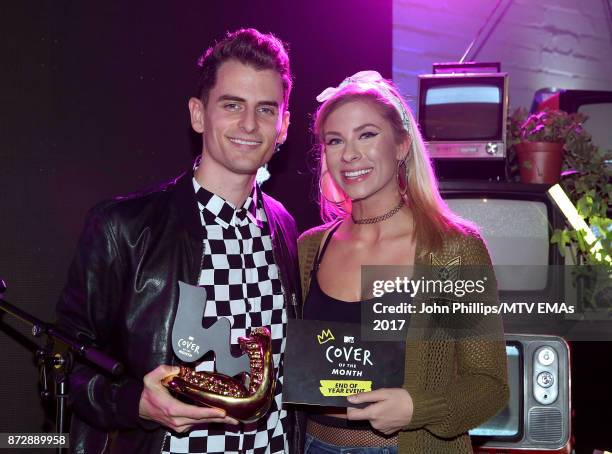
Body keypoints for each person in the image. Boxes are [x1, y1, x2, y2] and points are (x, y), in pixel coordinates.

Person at [55, 28, 302, 454]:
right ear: (198, 114)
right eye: (232, 105)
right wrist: (136, 403)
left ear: (283, 126)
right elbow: (64, 362)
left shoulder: (284, 226)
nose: (249, 124)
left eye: (266, 109)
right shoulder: (123, 228)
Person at [297, 71, 509, 453]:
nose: (349, 154)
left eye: (366, 134)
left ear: (401, 145)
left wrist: (417, 408)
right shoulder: (308, 248)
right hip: (314, 444)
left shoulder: (455, 249)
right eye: (335, 140)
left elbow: (490, 384)